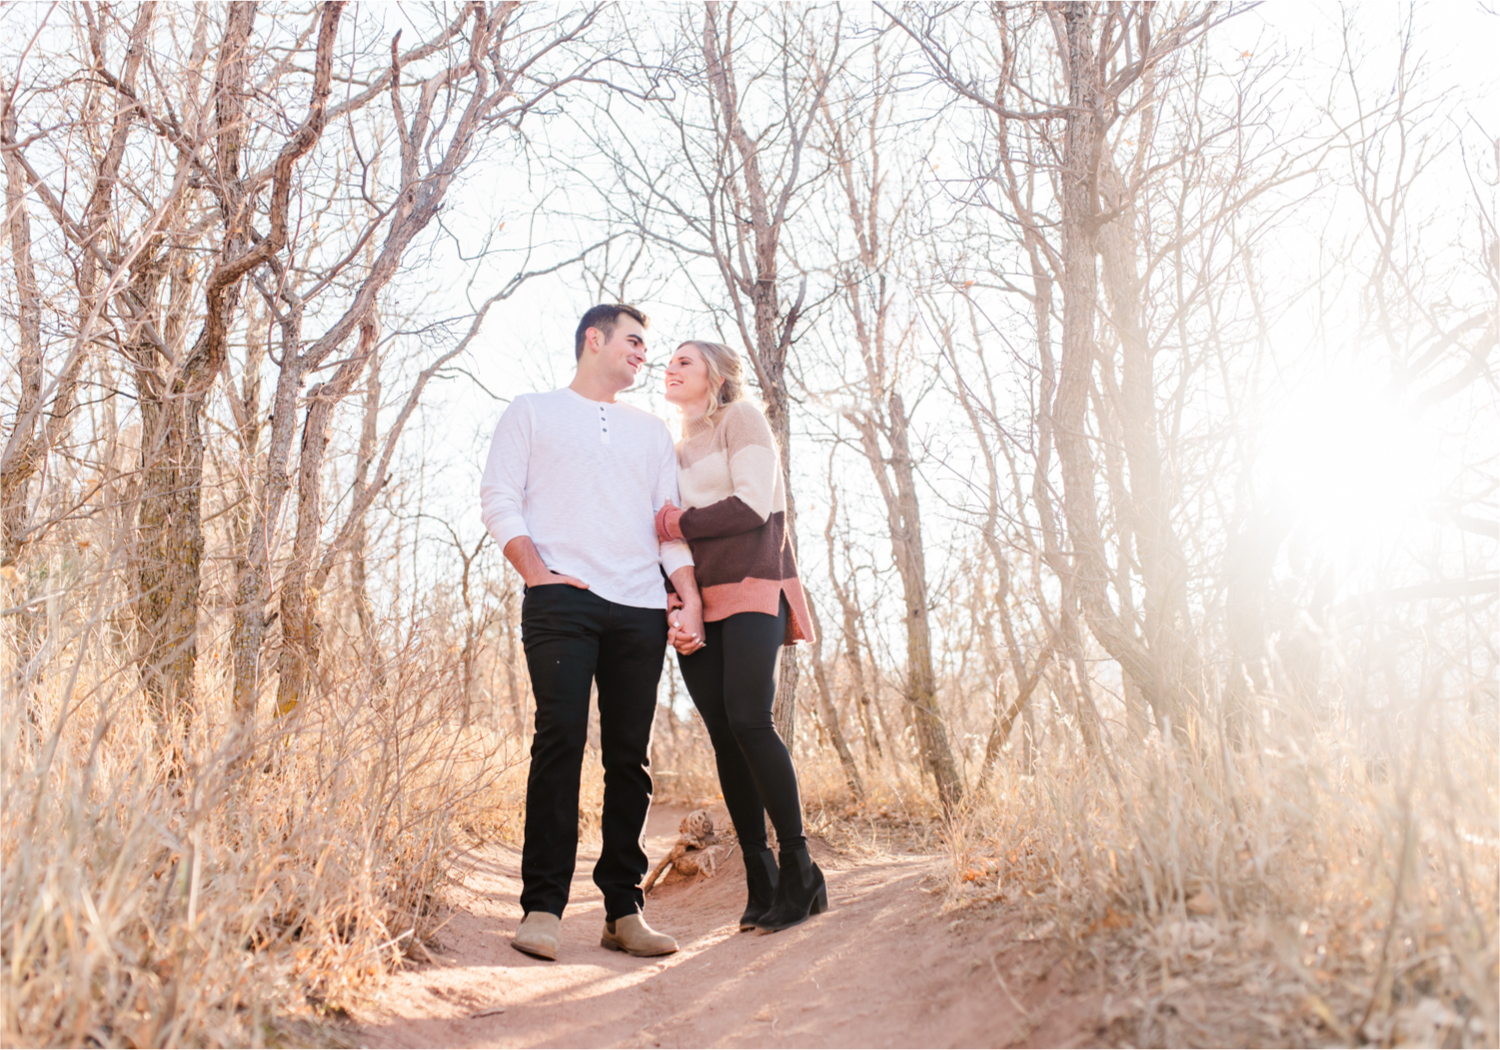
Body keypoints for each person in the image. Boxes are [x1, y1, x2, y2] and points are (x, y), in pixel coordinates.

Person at [480, 304, 705, 961]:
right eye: (634, 342)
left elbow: (669, 530)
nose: (644, 354)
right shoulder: (531, 411)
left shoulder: (651, 432)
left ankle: (623, 910)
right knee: (560, 742)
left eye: (648, 345)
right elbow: (499, 495)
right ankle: (543, 908)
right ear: (593, 339)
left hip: (638, 608)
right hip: (562, 603)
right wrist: (537, 572)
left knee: (629, 761)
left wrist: (684, 599)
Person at [655, 340, 828, 933]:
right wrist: (680, 599)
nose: (670, 369)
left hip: (756, 584)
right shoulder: (669, 449)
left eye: (684, 361)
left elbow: (752, 505)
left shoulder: (741, 419)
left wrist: (683, 520)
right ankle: (762, 879)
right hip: (701, 603)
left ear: (717, 374)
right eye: (668, 363)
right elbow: (662, 536)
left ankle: (801, 868)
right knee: (725, 737)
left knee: (751, 720)